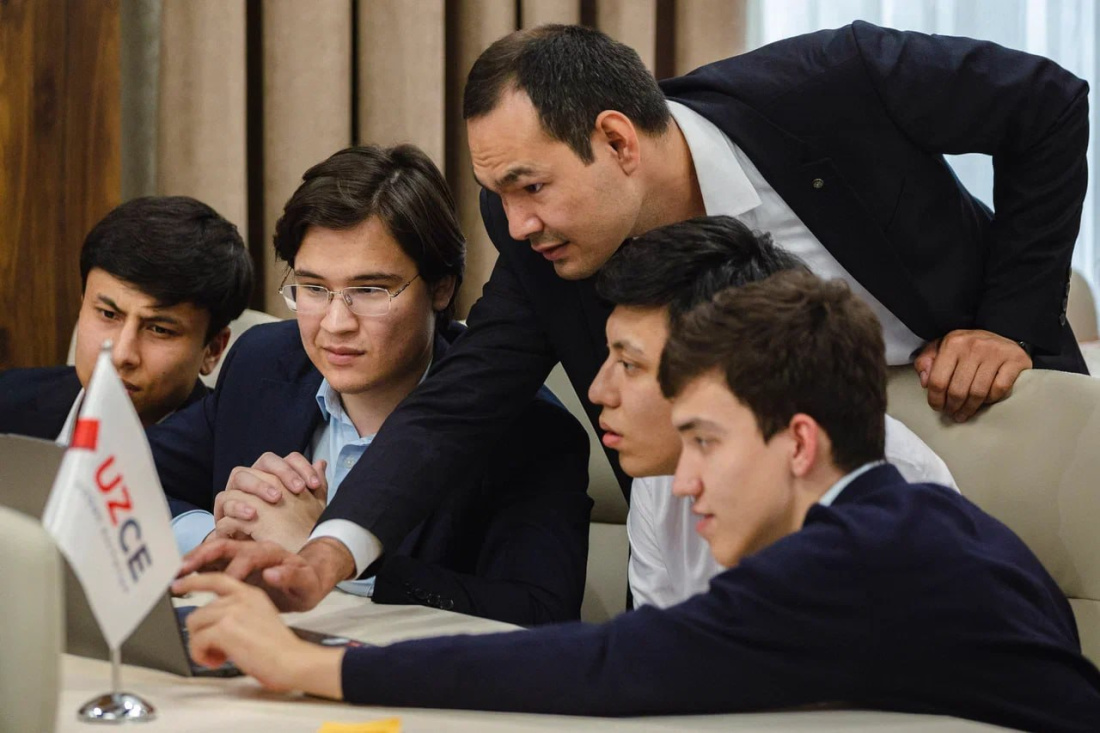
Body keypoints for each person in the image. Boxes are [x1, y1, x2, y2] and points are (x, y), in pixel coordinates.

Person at [191, 21, 1091, 610]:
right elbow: (459, 402)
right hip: (718, 493)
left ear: (618, 140)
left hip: (965, 395)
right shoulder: (547, 246)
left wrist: (1009, 320)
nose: (514, 224)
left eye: (530, 186)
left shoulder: (828, 86)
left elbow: (1048, 103)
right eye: (499, 195)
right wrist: (330, 554)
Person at [175, 271, 1100, 731]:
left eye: (706, 443)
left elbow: (611, 663)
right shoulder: (915, 524)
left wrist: (306, 666)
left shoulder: (851, 557)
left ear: (799, 442)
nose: (685, 479)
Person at [150, 145, 592, 625]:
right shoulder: (264, 364)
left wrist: (324, 557)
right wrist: (216, 541)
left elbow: (540, 613)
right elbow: (124, 475)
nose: (335, 324)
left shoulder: (529, 428)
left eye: (369, 291)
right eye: (313, 288)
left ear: (441, 288)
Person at [588, 215, 956, 608]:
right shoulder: (662, 473)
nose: (598, 391)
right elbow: (659, 639)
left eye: (629, 365)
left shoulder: (896, 486)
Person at [0, 196, 253, 441]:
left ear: (212, 350)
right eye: (108, 314)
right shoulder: (8, 401)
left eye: (159, 329)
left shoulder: (234, 450)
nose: (121, 355)